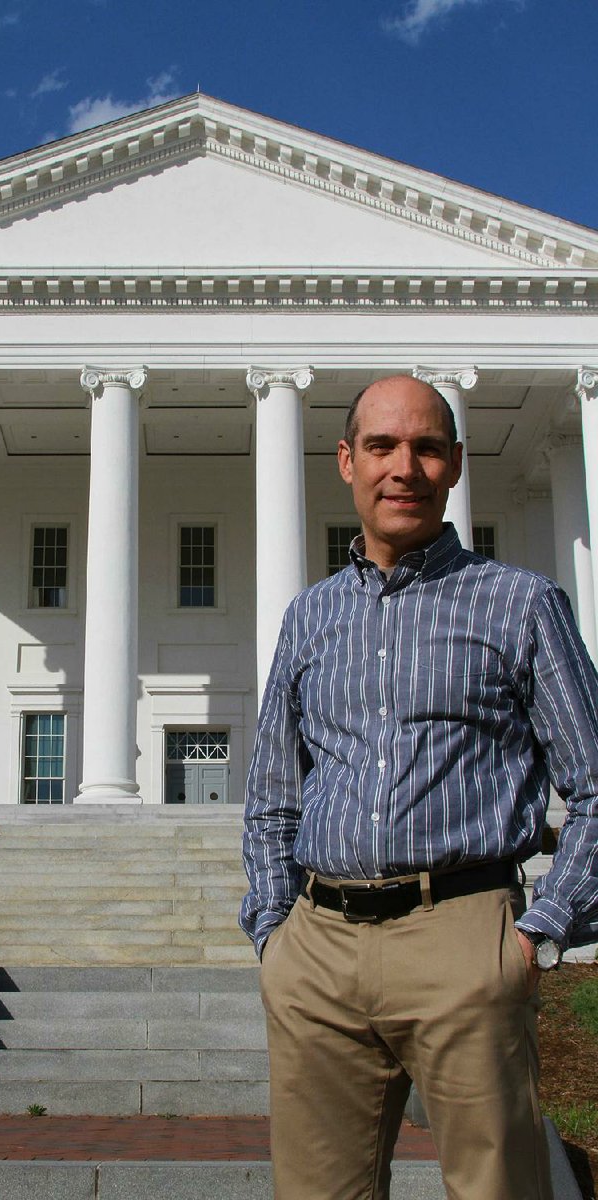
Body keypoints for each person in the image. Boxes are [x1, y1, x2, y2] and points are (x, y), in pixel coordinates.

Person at [240, 373, 598, 1200]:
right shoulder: (310, 617)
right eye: (382, 446)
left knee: (495, 1190)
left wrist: (537, 935)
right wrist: (273, 934)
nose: (405, 467)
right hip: (318, 949)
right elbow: (272, 797)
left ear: (455, 465)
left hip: (465, 938)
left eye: (426, 448)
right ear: (345, 461)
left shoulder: (521, 604)